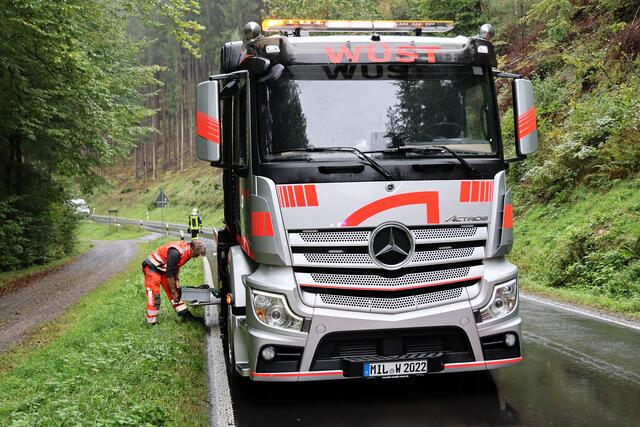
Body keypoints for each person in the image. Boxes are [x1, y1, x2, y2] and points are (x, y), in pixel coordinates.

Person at [141, 239, 206, 325]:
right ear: (192, 248)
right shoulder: (175, 252)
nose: (196, 257)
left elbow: (176, 266)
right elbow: (169, 274)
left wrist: (176, 281)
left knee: (175, 290)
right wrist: (173, 291)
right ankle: (151, 321)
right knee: (154, 293)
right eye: (196, 254)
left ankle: (184, 315)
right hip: (152, 267)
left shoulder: (188, 252)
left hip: (163, 268)